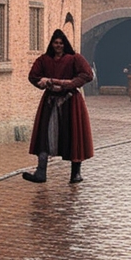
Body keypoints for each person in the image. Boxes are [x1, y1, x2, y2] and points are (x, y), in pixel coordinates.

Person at [22, 29, 94, 184]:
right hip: (50, 101)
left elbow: (87, 74)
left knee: (73, 134)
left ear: (64, 44)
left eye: (61, 43)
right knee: (45, 135)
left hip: (70, 102)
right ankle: (41, 171)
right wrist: (43, 82)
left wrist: (66, 83)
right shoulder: (44, 59)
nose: (58, 46)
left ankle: (75, 173)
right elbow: (33, 76)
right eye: (56, 43)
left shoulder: (74, 58)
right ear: (52, 44)